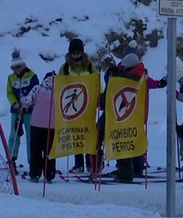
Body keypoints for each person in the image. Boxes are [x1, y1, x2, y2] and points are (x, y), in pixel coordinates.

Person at [101, 51, 168, 181]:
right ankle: (137, 167)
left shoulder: (130, 77)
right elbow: (151, 83)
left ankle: (129, 170)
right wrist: (160, 83)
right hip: (137, 114)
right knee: (136, 139)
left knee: (127, 139)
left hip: (127, 114)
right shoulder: (140, 74)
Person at [58, 38, 97, 174]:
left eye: (78, 52)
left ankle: (90, 162)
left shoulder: (90, 66)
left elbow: (97, 82)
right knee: (76, 135)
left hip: (88, 105)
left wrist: (100, 96)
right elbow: (60, 87)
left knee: (88, 133)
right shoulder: (65, 68)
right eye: (73, 53)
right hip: (73, 106)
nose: (75, 55)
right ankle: (78, 163)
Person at [21, 71, 57, 183]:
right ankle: (49, 174)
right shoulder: (59, 90)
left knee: (36, 150)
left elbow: (27, 102)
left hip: (36, 123)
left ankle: (35, 174)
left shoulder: (37, 88)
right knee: (50, 150)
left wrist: (22, 98)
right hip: (52, 125)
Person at [5, 50, 38, 168]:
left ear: (23, 65)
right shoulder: (11, 78)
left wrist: (28, 104)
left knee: (31, 136)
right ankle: (11, 160)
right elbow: (9, 93)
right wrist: (16, 105)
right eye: (14, 68)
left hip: (29, 111)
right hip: (16, 111)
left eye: (18, 67)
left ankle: (33, 162)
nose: (16, 70)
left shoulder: (32, 75)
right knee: (14, 135)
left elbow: (36, 90)